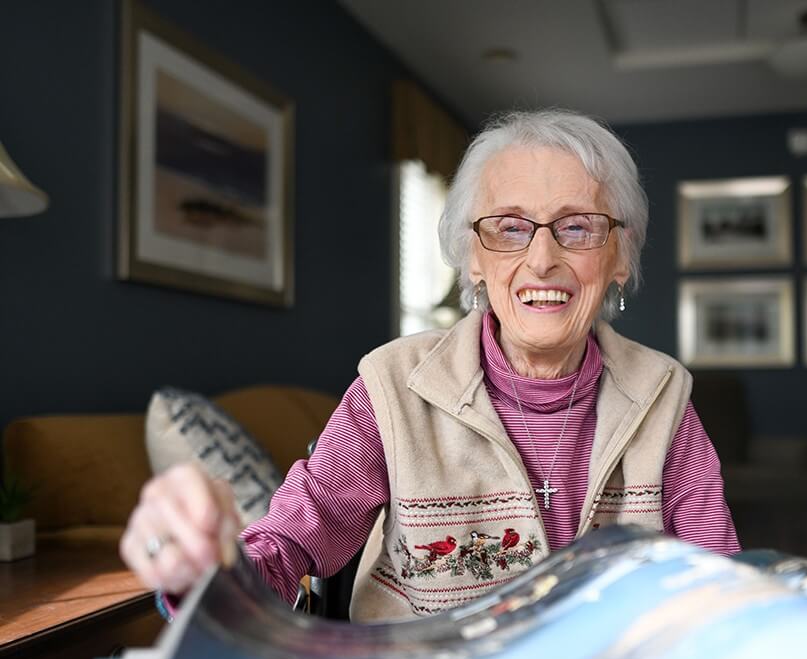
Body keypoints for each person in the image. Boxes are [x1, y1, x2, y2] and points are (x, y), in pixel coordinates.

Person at [120, 109, 741, 622]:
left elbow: (720, 597)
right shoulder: (395, 388)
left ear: (619, 259)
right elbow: (282, 554)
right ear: (473, 258)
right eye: (510, 227)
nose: (543, 257)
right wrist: (203, 570)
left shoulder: (663, 399)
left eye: (578, 228)